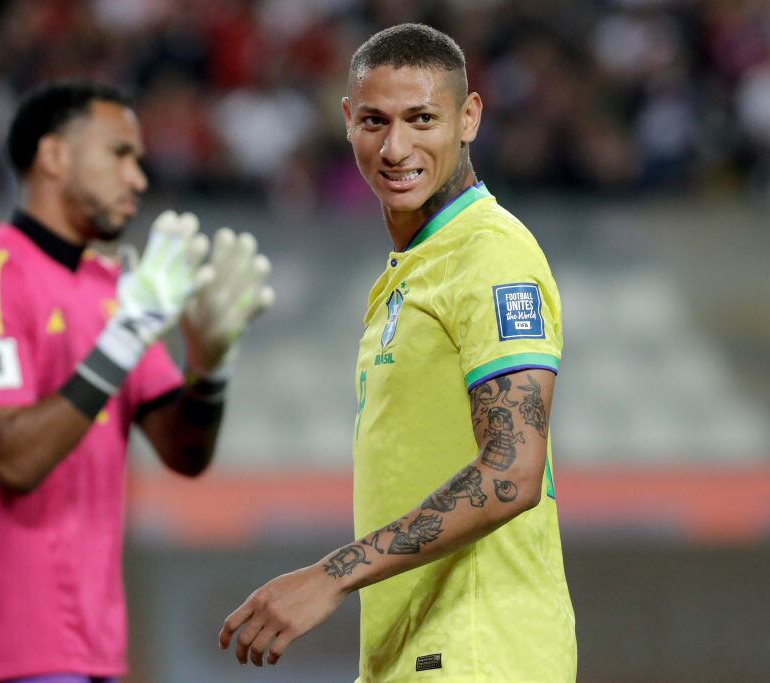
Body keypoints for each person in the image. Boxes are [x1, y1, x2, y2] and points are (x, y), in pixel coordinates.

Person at [219, 23, 576, 682]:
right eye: (375, 122)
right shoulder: (410, 271)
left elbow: (511, 474)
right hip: (417, 655)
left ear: (469, 117)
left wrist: (330, 576)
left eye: (422, 119)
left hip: (479, 650)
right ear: (348, 121)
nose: (396, 146)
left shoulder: (489, 253)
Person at [0, 81, 273, 683]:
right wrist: (124, 336)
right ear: (54, 155)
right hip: (7, 643)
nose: (138, 178)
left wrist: (210, 365)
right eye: (120, 154)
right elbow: (14, 458)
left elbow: (184, 452)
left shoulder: (113, 291)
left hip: (95, 645)